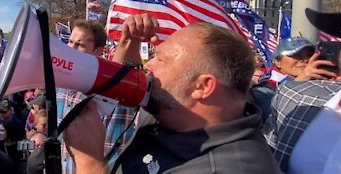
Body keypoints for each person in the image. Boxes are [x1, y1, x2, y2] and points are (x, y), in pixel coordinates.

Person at [64, 20, 281, 173]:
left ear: (202, 87)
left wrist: (90, 164)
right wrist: (127, 43)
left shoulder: (228, 168)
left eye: (161, 59)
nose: (147, 66)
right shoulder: (173, 112)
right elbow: (119, 82)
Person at [263, 8, 341, 173]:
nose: (303, 60)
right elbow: (266, 148)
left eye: (308, 53)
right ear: (277, 61)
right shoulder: (292, 95)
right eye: (295, 55)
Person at [56, 19, 138, 174]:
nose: (70, 48)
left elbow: (125, 68)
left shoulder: (113, 88)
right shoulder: (61, 86)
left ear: (98, 51)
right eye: (70, 42)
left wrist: (131, 39)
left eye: (79, 45)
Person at [270, 36, 337, 85]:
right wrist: (298, 82)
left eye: (309, 55)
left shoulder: (320, 81)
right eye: (295, 55)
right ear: (278, 62)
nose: (305, 59)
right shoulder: (265, 88)